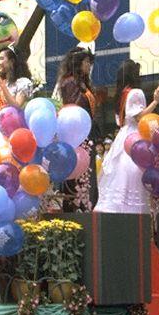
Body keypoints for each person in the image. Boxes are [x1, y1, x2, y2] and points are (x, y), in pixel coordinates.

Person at [95, 59, 159, 214]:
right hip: (135, 133)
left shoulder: (120, 94)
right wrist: (155, 102)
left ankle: (119, 206)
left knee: (121, 169)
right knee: (135, 168)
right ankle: (134, 209)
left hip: (123, 134)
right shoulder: (135, 92)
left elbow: (121, 119)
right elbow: (139, 116)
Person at [52, 47, 99, 207]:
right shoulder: (70, 82)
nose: (88, 66)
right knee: (78, 172)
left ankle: (84, 204)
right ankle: (75, 206)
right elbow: (74, 107)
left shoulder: (82, 83)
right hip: (76, 135)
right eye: (86, 62)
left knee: (86, 172)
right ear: (77, 63)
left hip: (86, 133)